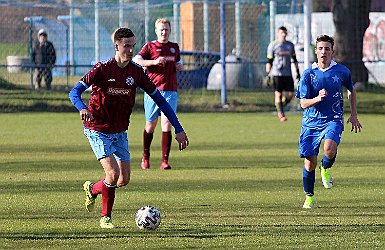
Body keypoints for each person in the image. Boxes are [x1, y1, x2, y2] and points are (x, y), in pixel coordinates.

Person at [68, 27, 189, 228]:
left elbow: (161, 101)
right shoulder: (102, 68)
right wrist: (82, 108)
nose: (131, 50)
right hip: (97, 128)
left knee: (123, 180)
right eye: (127, 46)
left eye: (133, 46)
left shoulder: (137, 72)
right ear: (116, 46)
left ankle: (92, 189)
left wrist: (178, 128)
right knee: (113, 174)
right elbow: (74, 92)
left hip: (120, 131)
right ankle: (105, 218)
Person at [296, 35, 362, 209]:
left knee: (329, 149)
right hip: (311, 122)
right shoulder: (308, 74)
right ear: (315, 51)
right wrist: (317, 98)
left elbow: (351, 91)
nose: (324, 52)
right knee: (309, 162)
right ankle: (309, 196)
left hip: (333, 118)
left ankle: (325, 168)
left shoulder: (341, 71)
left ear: (332, 51)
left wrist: (353, 114)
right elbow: (303, 103)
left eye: (327, 48)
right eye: (320, 48)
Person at [133, 18, 184, 170]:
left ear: (170, 31)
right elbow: (137, 60)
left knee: (167, 123)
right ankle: (146, 157)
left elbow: (179, 63)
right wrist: (153, 62)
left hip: (170, 91)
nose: (164, 32)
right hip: (152, 91)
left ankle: (165, 161)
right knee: (150, 125)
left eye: (166, 29)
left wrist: (179, 66)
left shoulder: (174, 47)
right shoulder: (150, 46)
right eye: (161, 29)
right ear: (156, 31)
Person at [266, 26, 300, 122]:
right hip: (277, 73)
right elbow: (269, 60)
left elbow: (294, 59)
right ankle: (281, 113)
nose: (284, 34)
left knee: (290, 94)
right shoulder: (273, 45)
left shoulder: (290, 45)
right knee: (278, 94)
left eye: (285, 33)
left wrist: (297, 71)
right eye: (282, 33)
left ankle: (280, 106)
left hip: (288, 73)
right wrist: (268, 73)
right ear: (278, 33)